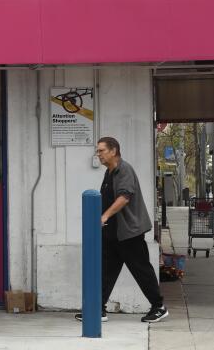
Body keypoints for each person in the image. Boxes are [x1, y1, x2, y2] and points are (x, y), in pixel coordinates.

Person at [75, 137, 168, 323]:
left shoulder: (124, 170)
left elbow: (124, 197)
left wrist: (104, 216)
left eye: (101, 151)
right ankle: (97, 309)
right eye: (98, 151)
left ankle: (159, 306)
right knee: (106, 271)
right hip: (113, 232)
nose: (98, 154)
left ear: (114, 151)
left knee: (141, 269)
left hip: (129, 232)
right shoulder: (109, 172)